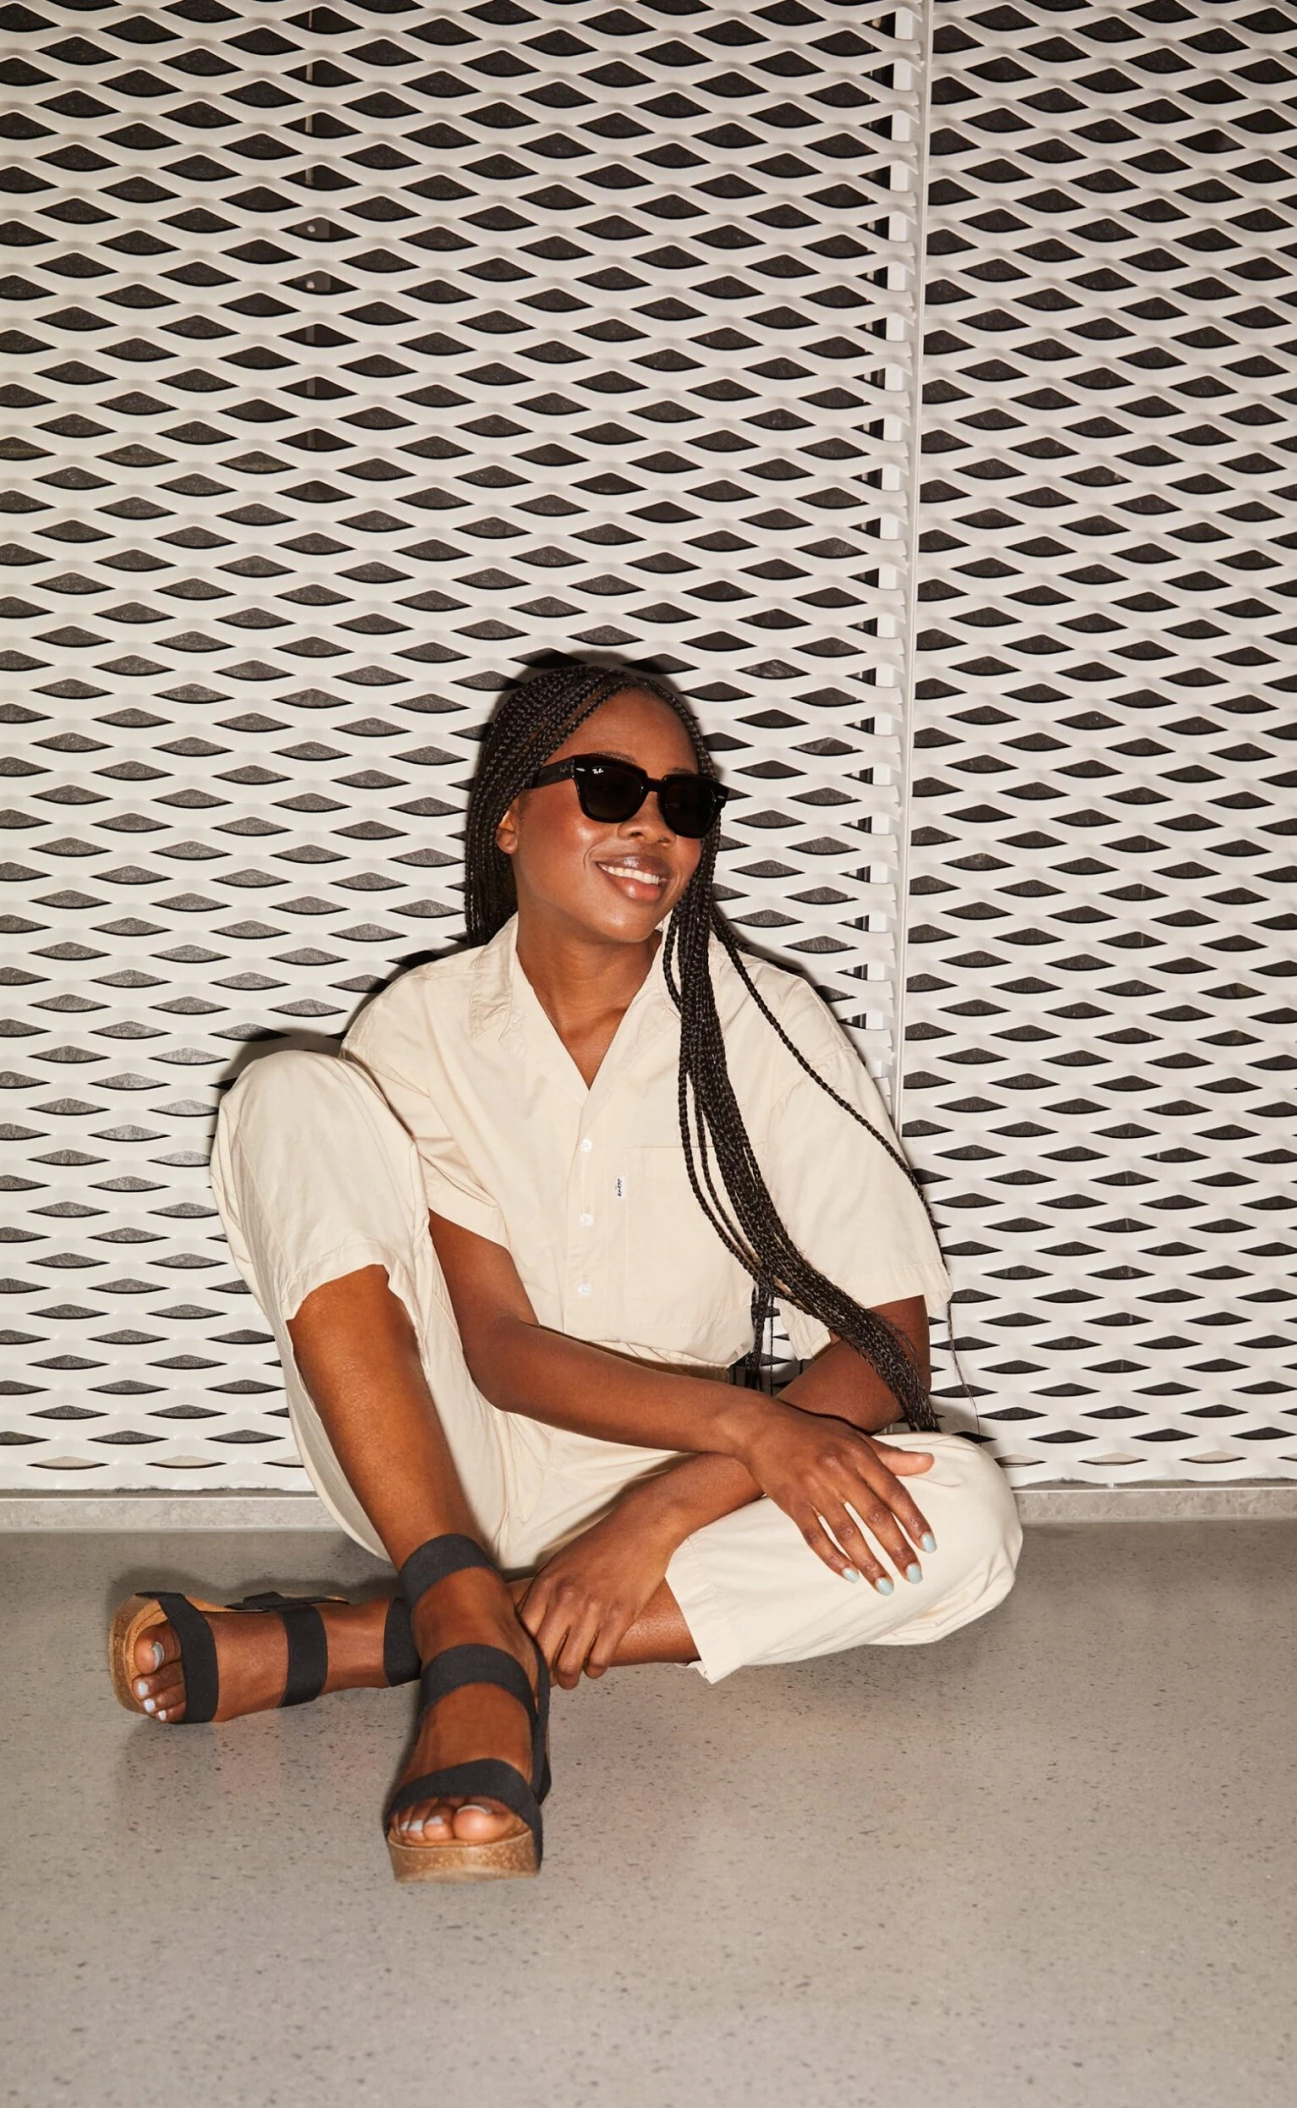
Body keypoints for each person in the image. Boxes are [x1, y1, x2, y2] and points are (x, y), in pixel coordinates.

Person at [108, 662, 1021, 1882]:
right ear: (507, 818)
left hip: (688, 1473)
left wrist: (664, 1507)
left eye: (684, 804)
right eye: (607, 787)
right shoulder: (421, 1027)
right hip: (448, 1461)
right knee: (289, 1092)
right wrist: (754, 1431)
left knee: (965, 1512)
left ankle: (424, 1641)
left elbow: (889, 1339)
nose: (653, 826)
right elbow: (496, 1348)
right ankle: (458, 1594)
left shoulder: (766, 1020)